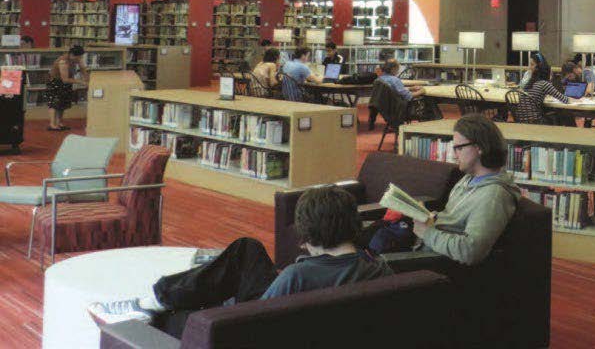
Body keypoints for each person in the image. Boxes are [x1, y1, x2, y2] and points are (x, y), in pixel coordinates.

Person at [86, 185, 391, 330]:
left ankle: (150, 306)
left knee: (176, 312)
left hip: (249, 327)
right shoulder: (377, 266)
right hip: (309, 315)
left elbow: (253, 320)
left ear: (307, 234)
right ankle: (159, 298)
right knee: (247, 249)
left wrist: (223, 304)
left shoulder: (298, 276)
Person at [407, 115, 520, 265]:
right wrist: (429, 218)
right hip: (423, 247)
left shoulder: (493, 196)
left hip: (430, 264)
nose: (455, 154)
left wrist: (427, 233)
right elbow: (453, 221)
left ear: (479, 147)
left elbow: (470, 251)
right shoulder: (469, 178)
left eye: (459, 148)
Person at [46, 45, 87, 131]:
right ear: (72, 54)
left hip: (67, 81)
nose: (79, 59)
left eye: (81, 57)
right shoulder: (63, 61)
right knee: (54, 102)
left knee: (63, 103)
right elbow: (65, 79)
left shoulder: (77, 59)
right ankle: (52, 124)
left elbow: (83, 69)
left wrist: (88, 79)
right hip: (55, 82)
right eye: (78, 57)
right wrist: (81, 82)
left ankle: (59, 123)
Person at [520, 59, 569, 124]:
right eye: (551, 73)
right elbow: (564, 99)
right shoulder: (544, 84)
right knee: (561, 117)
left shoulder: (529, 83)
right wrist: (577, 100)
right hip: (535, 121)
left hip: (520, 120)